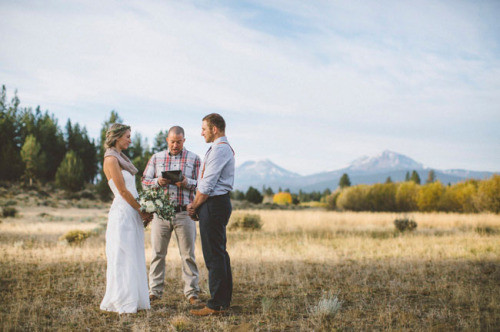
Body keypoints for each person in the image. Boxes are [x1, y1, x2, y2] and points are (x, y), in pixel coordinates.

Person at [142, 126, 202, 305]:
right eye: (172, 141)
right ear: (167, 140)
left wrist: (186, 182)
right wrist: (157, 182)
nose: (175, 145)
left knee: (188, 255)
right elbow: (145, 181)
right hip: (161, 214)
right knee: (157, 254)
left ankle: (192, 293)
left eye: (179, 141)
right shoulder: (156, 158)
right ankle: (154, 291)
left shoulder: (194, 159)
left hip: (184, 213)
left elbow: (202, 185)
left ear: (184, 140)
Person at [100, 123, 153, 314]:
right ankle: (122, 300)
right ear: (117, 137)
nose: (130, 139)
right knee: (122, 254)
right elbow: (122, 190)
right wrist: (141, 211)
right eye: (128, 136)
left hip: (132, 211)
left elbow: (131, 190)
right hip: (123, 212)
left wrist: (145, 208)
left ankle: (136, 298)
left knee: (133, 253)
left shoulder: (121, 158)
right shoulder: (111, 160)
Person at [187, 113, 235, 316]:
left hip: (214, 204)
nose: (201, 132)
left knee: (214, 255)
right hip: (214, 203)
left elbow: (207, 184)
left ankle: (216, 305)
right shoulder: (218, 149)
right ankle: (221, 301)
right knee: (219, 253)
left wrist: (195, 205)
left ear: (214, 129)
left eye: (204, 129)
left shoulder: (220, 150)